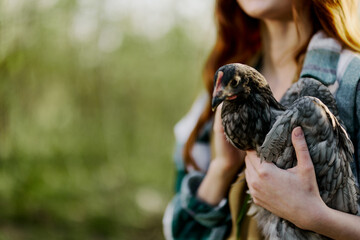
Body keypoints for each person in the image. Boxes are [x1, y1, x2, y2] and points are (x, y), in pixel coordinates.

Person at [163, 0, 360, 239]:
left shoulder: (353, 84)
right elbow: (182, 234)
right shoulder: (214, 97)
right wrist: (221, 169)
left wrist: (317, 218)